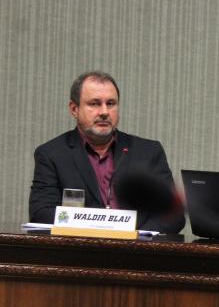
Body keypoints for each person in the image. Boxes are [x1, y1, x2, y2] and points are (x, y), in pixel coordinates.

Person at [29, 71, 185, 233]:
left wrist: (134, 240)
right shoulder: (52, 154)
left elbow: (173, 214)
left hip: (136, 246)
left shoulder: (148, 152)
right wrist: (96, 227)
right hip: (79, 246)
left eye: (110, 103)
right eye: (94, 104)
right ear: (74, 109)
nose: (104, 112)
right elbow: (41, 213)